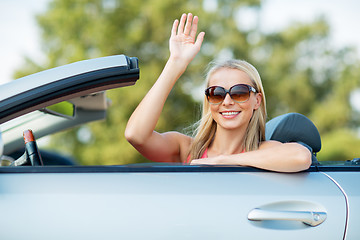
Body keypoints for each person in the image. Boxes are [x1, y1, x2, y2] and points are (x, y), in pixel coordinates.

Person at [125, 13, 312, 172]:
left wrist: (224, 161)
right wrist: (175, 63)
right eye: (217, 93)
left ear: (257, 101)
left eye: (239, 92)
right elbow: (136, 135)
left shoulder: (264, 151)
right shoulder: (187, 149)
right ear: (209, 100)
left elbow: (302, 156)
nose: (227, 101)